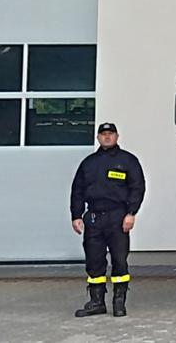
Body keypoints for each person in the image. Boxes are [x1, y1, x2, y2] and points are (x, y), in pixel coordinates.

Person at [69, 122, 145, 318]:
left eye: (110, 134)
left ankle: (119, 303)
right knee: (94, 262)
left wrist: (131, 213)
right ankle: (96, 302)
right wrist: (76, 216)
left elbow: (137, 188)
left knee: (119, 261)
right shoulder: (89, 163)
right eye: (103, 134)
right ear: (98, 138)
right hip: (94, 218)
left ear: (117, 136)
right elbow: (77, 191)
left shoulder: (128, 161)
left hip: (118, 217)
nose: (107, 137)